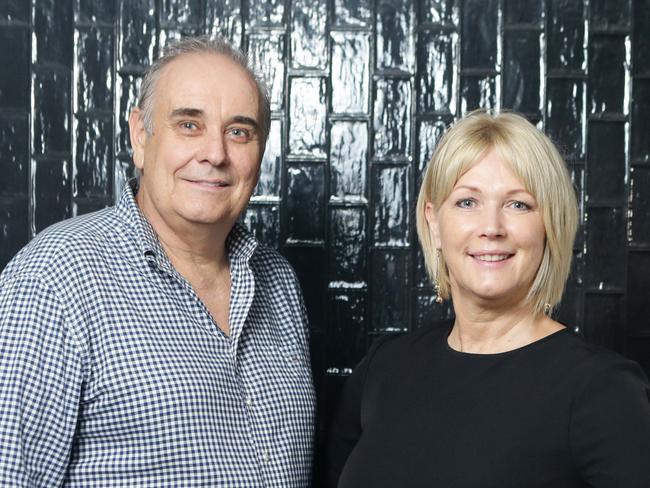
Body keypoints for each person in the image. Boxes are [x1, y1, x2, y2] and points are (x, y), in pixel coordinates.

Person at [0, 36, 315, 486]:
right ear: (140, 136)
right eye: (189, 125)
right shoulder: (55, 278)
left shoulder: (278, 282)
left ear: (259, 152)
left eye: (238, 131)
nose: (216, 153)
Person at [327, 111, 650, 487]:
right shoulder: (383, 369)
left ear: (550, 227)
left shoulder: (604, 391)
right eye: (467, 202)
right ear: (433, 223)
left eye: (518, 205)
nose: (492, 228)